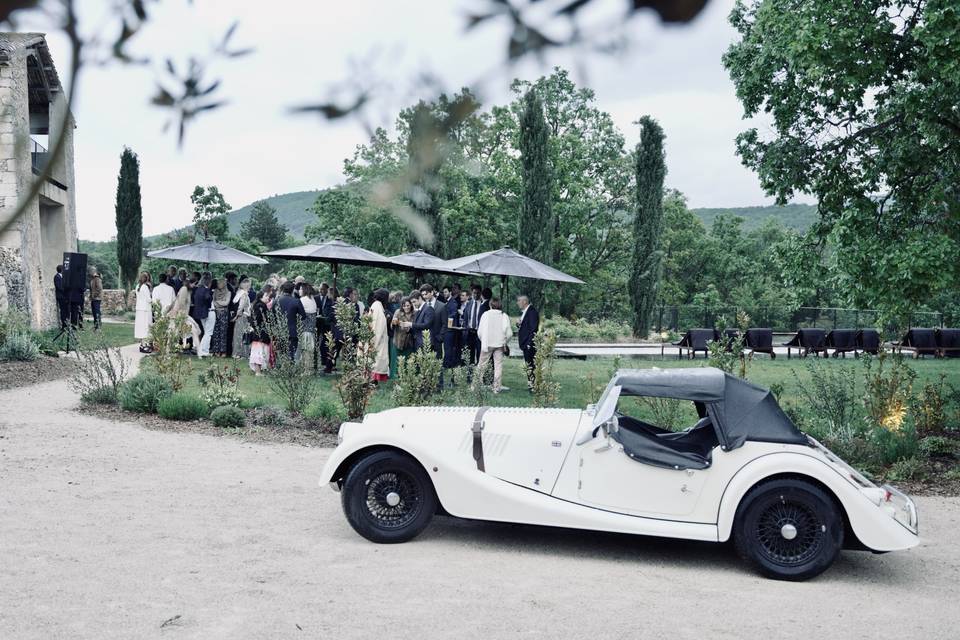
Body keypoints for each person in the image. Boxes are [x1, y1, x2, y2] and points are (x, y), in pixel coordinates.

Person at [476, 298, 512, 394]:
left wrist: (483, 340)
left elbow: (480, 331)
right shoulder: (504, 316)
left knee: (481, 365)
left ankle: (476, 385)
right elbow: (509, 333)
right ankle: (496, 388)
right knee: (498, 366)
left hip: (487, 343)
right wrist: (505, 341)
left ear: (490, 305)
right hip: (499, 344)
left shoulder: (485, 315)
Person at [167, 278, 201, 352]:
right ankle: (167, 351)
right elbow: (181, 303)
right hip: (180, 315)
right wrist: (182, 316)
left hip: (182, 315)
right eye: (195, 284)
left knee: (194, 331)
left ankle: (199, 352)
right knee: (174, 333)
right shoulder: (184, 289)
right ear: (191, 283)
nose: (195, 286)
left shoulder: (187, 290)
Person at [516, 294, 541, 390]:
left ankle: (533, 385)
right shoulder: (525, 311)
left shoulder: (532, 312)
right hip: (525, 343)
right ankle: (531, 384)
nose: (517, 303)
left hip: (529, 344)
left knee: (531, 365)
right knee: (528, 364)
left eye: (519, 301)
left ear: (524, 302)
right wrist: (519, 324)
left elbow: (533, 329)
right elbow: (526, 327)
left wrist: (529, 344)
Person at [276, 281, 304, 360]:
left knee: (281, 353)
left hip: (280, 330)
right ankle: (289, 369)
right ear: (292, 290)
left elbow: (271, 315)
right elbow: (303, 316)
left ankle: (282, 369)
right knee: (291, 353)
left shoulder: (277, 300)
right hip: (293, 330)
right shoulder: (296, 301)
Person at [249, 290, 272, 375]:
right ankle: (258, 371)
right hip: (260, 334)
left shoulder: (259, 305)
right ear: (261, 297)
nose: (268, 297)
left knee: (259, 352)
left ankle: (258, 370)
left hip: (259, 333)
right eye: (266, 296)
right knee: (259, 353)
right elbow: (257, 320)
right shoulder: (260, 306)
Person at [369, 288, 390, 382]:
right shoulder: (378, 307)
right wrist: (375, 342)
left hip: (375, 338)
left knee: (374, 361)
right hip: (377, 338)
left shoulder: (376, 305)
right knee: (376, 361)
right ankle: (373, 381)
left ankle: (372, 381)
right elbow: (378, 326)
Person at [408, 284, 436, 350]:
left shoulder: (429, 308)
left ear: (420, 298)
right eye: (412, 303)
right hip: (418, 342)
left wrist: (411, 325)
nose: (413, 304)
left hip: (425, 343)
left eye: (414, 301)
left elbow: (426, 325)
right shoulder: (418, 309)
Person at [231, 277, 253, 359]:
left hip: (240, 316)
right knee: (242, 335)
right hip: (243, 316)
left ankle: (237, 352)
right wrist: (237, 316)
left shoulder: (239, 293)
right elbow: (241, 307)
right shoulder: (244, 294)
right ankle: (239, 353)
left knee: (238, 334)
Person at [298, 283, 318, 369]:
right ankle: (308, 368)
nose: (299, 291)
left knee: (306, 350)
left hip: (305, 329)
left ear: (304, 290)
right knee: (309, 351)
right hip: (311, 329)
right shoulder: (312, 299)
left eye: (301, 289)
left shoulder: (303, 300)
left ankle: (306, 369)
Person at [194, 275, 215, 358]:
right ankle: (204, 350)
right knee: (209, 333)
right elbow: (207, 298)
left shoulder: (198, 290)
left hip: (201, 313)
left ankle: (202, 349)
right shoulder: (206, 290)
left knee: (206, 331)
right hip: (209, 311)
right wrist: (209, 302)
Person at [210, 278, 231, 357]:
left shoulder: (228, 292)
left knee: (223, 332)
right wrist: (219, 303)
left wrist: (217, 303)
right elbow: (213, 301)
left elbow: (226, 303)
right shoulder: (215, 291)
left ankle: (223, 351)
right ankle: (216, 350)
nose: (218, 284)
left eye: (220, 283)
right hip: (216, 312)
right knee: (216, 332)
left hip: (224, 313)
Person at [392, 297, 416, 361]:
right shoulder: (398, 312)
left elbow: (416, 327)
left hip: (410, 343)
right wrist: (394, 323)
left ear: (411, 305)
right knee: (398, 363)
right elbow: (392, 326)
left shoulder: (415, 313)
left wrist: (410, 328)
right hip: (398, 343)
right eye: (404, 306)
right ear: (402, 306)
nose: (406, 307)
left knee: (409, 363)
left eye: (408, 305)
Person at [134, 272, 153, 352]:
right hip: (145, 309)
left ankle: (142, 344)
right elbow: (149, 299)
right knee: (145, 327)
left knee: (141, 327)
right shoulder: (145, 287)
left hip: (139, 309)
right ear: (146, 278)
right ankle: (145, 345)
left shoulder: (137, 286)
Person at [53, 265, 68, 329]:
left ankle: (66, 324)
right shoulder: (57, 277)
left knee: (66, 310)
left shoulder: (62, 277)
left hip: (64, 296)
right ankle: (64, 325)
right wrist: (65, 290)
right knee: (63, 311)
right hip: (61, 296)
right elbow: (59, 287)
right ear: (61, 270)